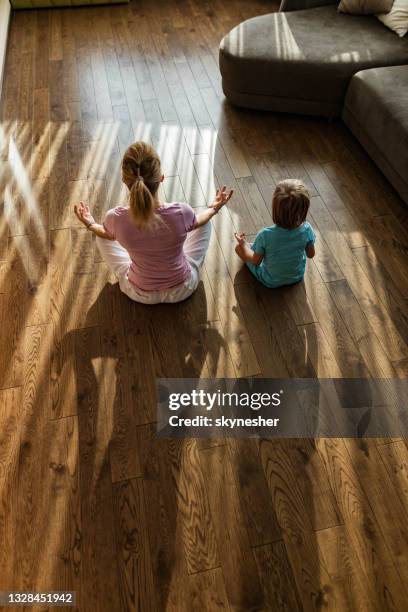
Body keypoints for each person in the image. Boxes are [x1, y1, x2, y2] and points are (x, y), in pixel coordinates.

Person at [74, 142, 233, 304]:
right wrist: (214, 208)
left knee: (102, 234)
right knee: (203, 222)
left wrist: (90, 224)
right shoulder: (181, 212)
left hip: (139, 293)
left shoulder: (115, 218)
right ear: (161, 178)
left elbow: (104, 233)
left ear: (124, 180)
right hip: (182, 289)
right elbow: (200, 221)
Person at [234, 179, 315, 288]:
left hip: (271, 280)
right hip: (297, 275)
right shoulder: (307, 229)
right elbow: (310, 254)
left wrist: (243, 245)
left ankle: (249, 247)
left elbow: (255, 261)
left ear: (275, 209)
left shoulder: (265, 235)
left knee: (239, 248)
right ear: (304, 210)